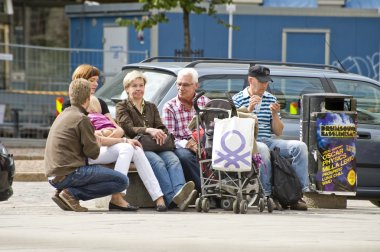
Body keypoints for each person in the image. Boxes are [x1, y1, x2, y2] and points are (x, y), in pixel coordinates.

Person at [45, 78, 134, 212]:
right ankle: (71, 194)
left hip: (53, 176)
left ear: (71, 95)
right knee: (122, 182)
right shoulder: (82, 119)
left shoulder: (63, 115)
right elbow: (93, 153)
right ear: (88, 98)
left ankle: (65, 193)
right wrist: (98, 141)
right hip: (70, 174)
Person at [116, 70, 197, 211]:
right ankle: (170, 197)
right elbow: (128, 128)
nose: (138, 89)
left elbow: (160, 125)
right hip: (138, 146)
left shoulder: (151, 106)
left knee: (173, 160)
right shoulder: (122, 106)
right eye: (134, 85)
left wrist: (162, 133)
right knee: (158, 162)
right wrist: (148, 130)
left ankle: (181, 195)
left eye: (141, 85)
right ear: (127, 88)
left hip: (157, 144)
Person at [232, 65, 309, 210]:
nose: (264, 85)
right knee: (263, 149)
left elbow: (278, 132)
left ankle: (298, 194)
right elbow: (237, 131)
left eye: (266, 82)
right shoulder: (237, 99)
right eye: (261, 81)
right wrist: (249, 110)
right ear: (250, 80)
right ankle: (267, 195)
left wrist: (275, 115)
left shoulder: (270, 98)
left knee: (300, 147)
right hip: (249, 143)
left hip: (268, 140)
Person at [87, 95, 167, 212]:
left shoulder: (101, 117)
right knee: (128, 148)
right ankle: (117, 194)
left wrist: (109, 134)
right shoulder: (84, 117)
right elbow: (95, 138)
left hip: (107, 147)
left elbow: (119, 130)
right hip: (92, 152)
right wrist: (110, 135)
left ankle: (158, 196)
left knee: (136, 149)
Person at [162, 68, 210, 193]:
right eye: (179, 84)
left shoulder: (205, 102)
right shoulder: (170, 106)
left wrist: (200, 140)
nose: (181, 88)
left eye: (185, 84)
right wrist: (187, 144)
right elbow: (170, 137)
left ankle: (222, 189)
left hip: (204, 142)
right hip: (182, 145)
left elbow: (212, 128)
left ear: (196, 85)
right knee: (184, 157)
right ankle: (206, 192)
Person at [63, 64, 124, 138]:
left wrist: (117, 132)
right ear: (80, 81)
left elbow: (115, 126)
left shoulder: (101, 103)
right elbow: (75, 132)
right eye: (91, 80)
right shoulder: (69, 105)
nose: (96, 84)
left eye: (97, 81)